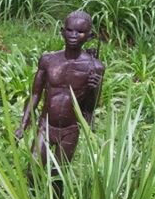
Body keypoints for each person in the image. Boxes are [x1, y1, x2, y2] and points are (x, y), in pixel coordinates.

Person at [15, 10, 104, 164]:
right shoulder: (48, 60)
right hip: (45, 125)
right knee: (33, 171)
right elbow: (35, 94)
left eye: (80, 32)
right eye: (69, 30)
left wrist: (93, 89)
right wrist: (23, 124)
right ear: (62, 32)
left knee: (59, 176)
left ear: (89, 37)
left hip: (70, 129)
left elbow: (90, 108)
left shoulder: (95, 67)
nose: (73, 35)